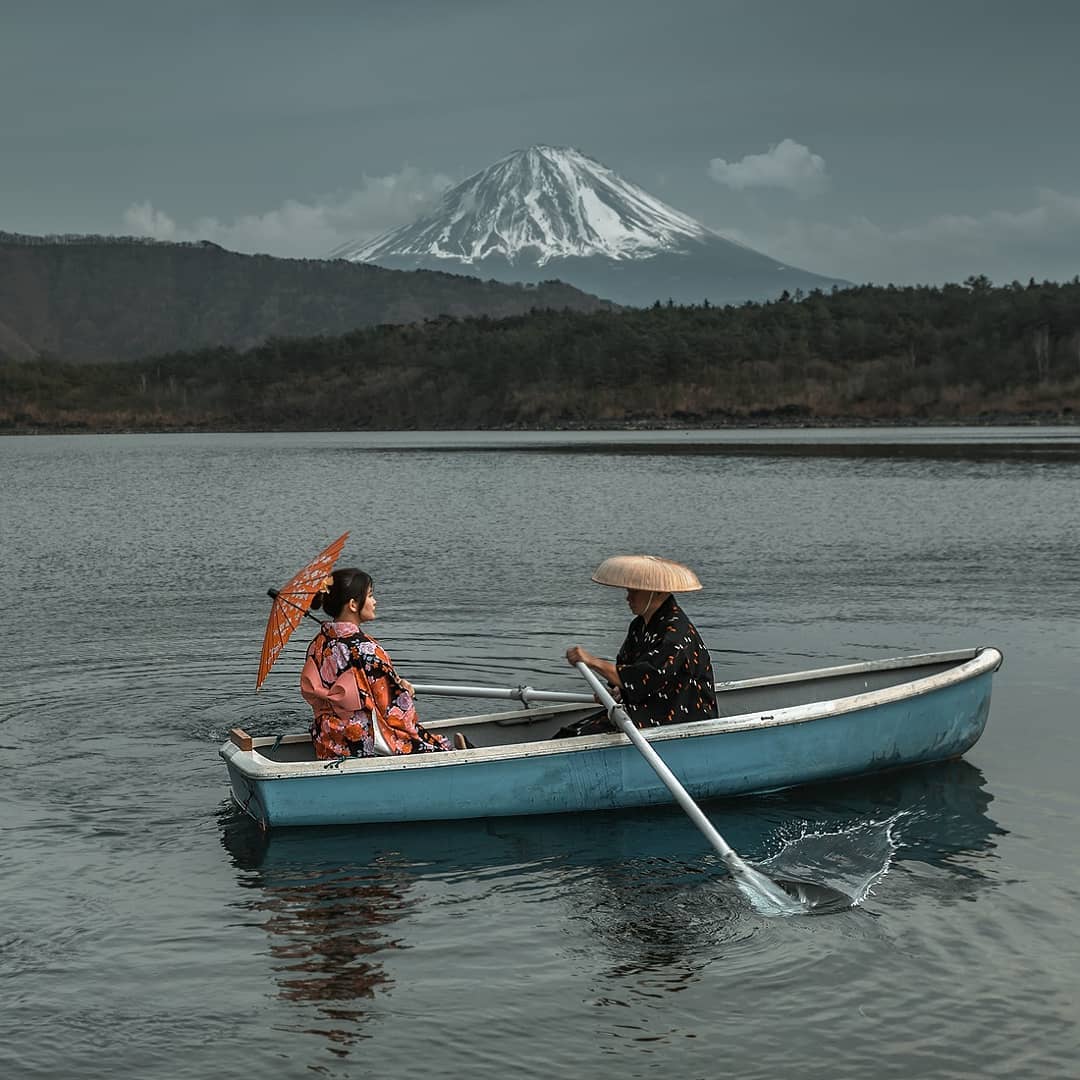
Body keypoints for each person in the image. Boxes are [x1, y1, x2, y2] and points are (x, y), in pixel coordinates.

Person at [301, 567, 459, 759]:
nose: (374, 602)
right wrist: (405, 692)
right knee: (437, 746)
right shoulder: (363, 648)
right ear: (353, 604)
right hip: (360, 741)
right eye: (370, 596)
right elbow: (392, 708)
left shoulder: (318, 644)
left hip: (327, 739)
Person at [564, 554, 717, 734]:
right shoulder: (639, 626)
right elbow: (626, 666)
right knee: (570, 732)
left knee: (582, 735)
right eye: (629, 591)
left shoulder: (675, 634)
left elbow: (643, 677)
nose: (628, 598)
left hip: (680, 717)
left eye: (635, 591)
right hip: (648, 709)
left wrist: (592, 661)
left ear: (658, 592)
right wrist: (616, 691)